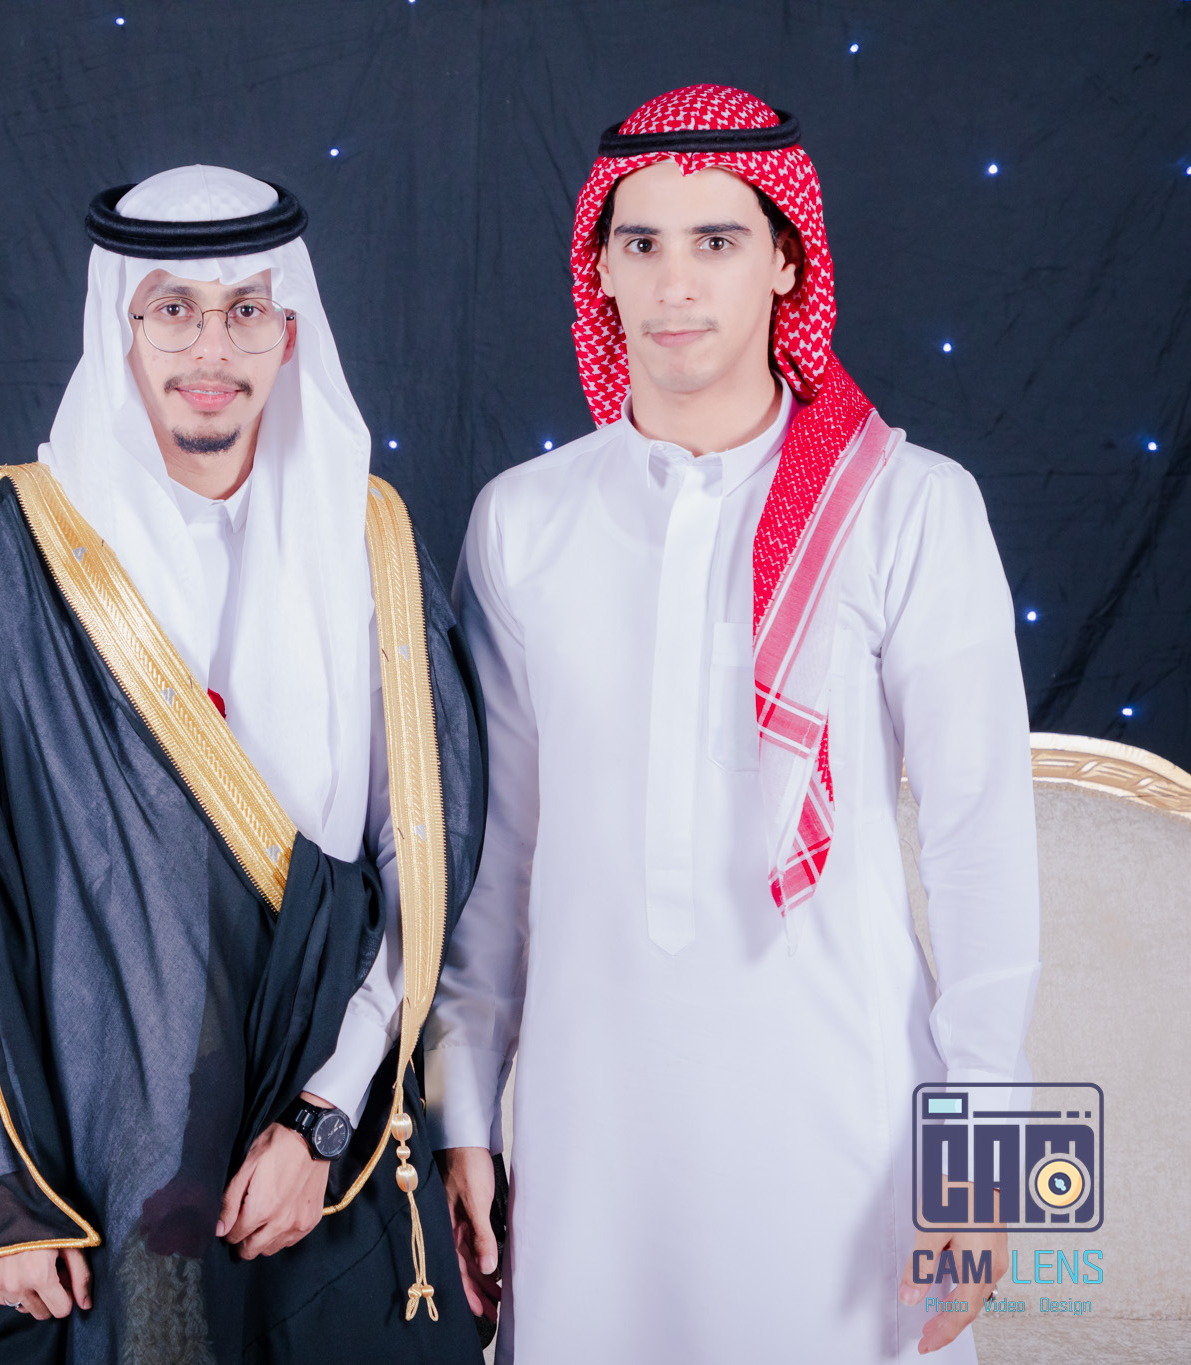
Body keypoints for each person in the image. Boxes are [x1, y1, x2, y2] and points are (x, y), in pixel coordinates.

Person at [429, 86, 1043, 1363]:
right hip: (591, 1132)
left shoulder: (908, 507)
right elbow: (494, 857)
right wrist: (463, 1115)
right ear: (598, 269)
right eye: (639, 243)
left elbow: (981, 845)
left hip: (842, 1128)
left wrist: (985, 1173)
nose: (674, 284)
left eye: (715, 241)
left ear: (783, 262)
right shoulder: (521, 521)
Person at [0, 165, 488, 1363]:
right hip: (100, 1145)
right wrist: (6, 1189)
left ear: (287, 333)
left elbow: (423, 852)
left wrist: (324, 1116)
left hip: (327, 1131)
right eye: (171, 310)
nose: (210, 348)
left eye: (243, 310)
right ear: (121, 328)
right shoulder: (10, 542)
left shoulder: (368, 534)